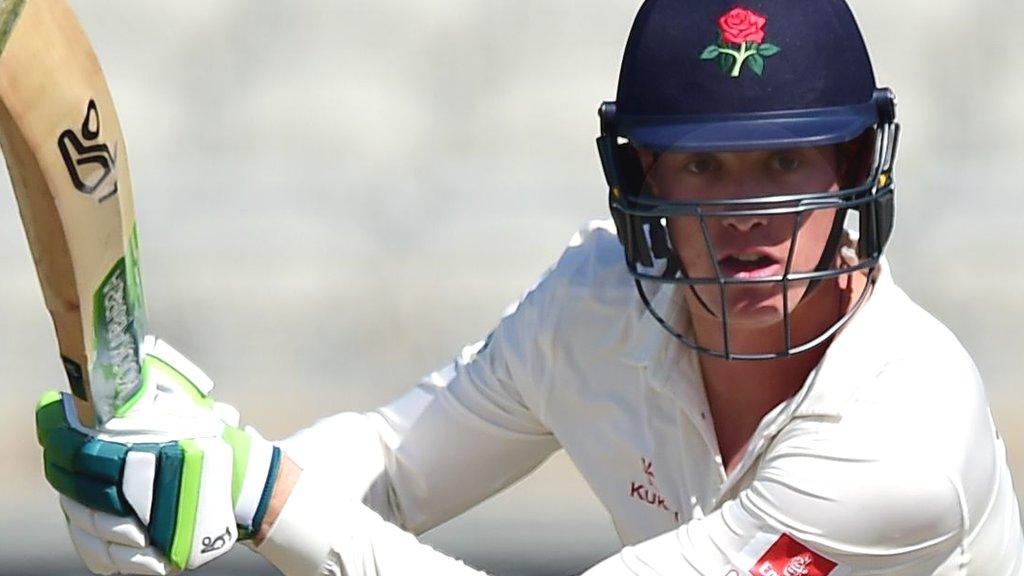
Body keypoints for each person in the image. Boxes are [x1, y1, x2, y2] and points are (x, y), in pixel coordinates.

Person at [34, 0, 1024, 574]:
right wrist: (187, 484)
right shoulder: (594, 307)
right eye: (702, 167)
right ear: (643, 179)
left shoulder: (904, 447)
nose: (746, 216)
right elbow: (396, 464)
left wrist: (263, 491)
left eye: (782, 163)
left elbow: (295, 504)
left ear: (853, 161)